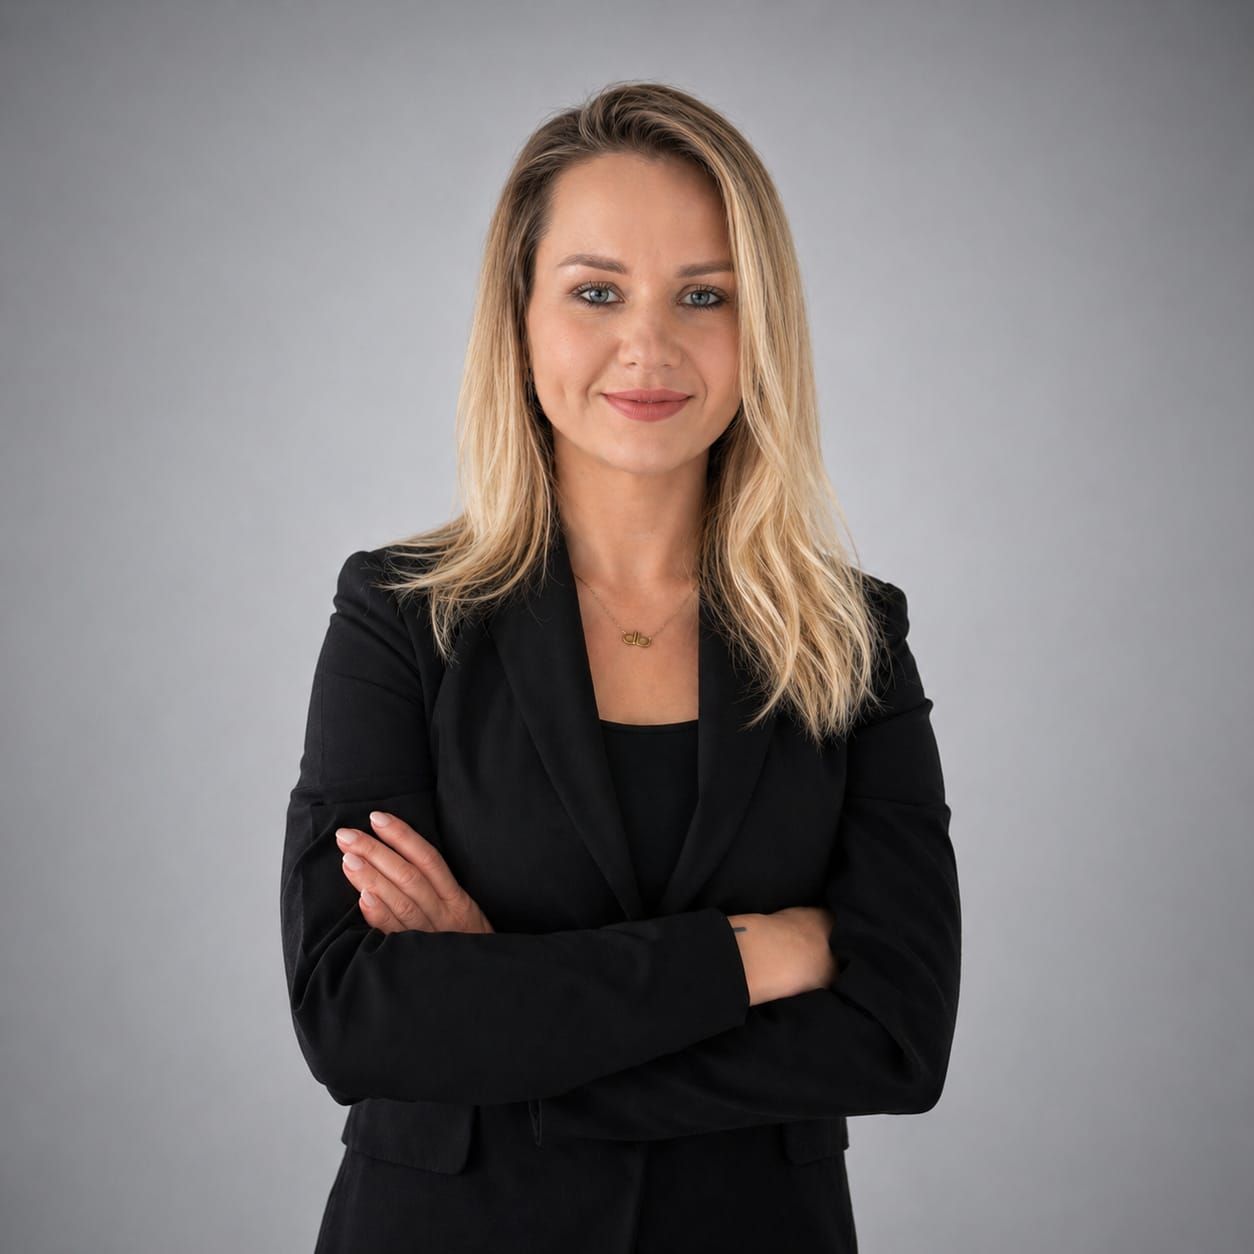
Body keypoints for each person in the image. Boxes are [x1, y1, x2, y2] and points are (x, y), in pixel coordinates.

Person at [280, 79, 961, 1254]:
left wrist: (506, 1013)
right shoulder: (402, 618)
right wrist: (761, 953)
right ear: (520, 318)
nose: (649, 345)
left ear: (761, 329)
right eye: (597, 292)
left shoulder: (851, 638)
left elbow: (896, 1039)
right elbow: (355, 1018)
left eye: (705, 295)